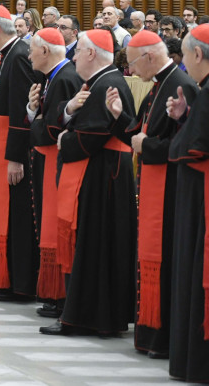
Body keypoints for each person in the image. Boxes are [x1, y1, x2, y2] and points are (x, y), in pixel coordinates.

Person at [42, 29, 136, 336]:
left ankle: (87, 317)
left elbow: (94, 133)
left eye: (78, 51)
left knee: (96, 246)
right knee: (95, 246)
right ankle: (93, 315)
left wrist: (66, 140)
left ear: (92, 53)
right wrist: (68, 117)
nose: (73, 56)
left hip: (102, 177)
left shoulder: (107, 83)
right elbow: (74, 119)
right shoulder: (97, 82)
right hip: (100, 174)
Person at [107, 29, 196, 357]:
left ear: (148, 56)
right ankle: (151, 335)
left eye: (131, 63)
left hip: (170, 190)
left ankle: (163, 336)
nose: (129, 71)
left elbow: (188, 146)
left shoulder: (182, 86)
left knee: (165, 258)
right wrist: (118, 116)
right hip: (152, 183)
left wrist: (149, 147)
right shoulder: (160, 85)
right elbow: (137, 131)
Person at [0, 4, 37, 302]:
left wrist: (15, 156)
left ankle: (19, 284)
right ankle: (6, 279)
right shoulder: (8, 56)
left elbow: (21, 113)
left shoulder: (20, 56)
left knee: (17, 217)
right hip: (1, 147)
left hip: (12, 152)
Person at [25, 27, 81, 320]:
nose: (29, 54)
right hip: (49, 162)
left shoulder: (64, 79)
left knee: (55, 227)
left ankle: (59, 295)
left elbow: (51, 130)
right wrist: (34, 111)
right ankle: (54, 294)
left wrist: (36, 118)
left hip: (58, 162)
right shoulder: (53, 77)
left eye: (32, 49)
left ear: (45, 51)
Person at [166, 24, 209, 382]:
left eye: (185, 56)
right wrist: (185, 115)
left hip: (201, 200)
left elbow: (189, 149)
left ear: (197, 54)